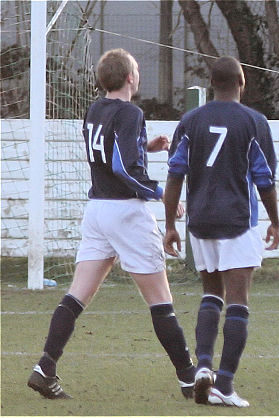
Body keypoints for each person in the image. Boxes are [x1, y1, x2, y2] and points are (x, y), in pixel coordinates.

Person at [26, 48, 196, 400]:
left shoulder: (95, 109)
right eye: (136, 70)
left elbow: (106, 153)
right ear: (131, 78)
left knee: (76, 295)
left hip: (97, 211)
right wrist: (163, 193)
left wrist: (143, 146)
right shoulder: (130, 112)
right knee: (161, 301)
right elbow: (121, 168)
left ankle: (45, 367)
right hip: (126, 213)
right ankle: (190, 379)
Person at [163, 56, 279, 408]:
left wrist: (169, 224)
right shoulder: (254, 122)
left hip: (199, 222)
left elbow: (174, 175)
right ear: (241, 83)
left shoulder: (189, 121)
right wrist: (275, 220)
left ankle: (202, 368)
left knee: (211, 294)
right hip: (237, 221)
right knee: (238, 300)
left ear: (212, 84)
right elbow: (265, 180)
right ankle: (224, 384)